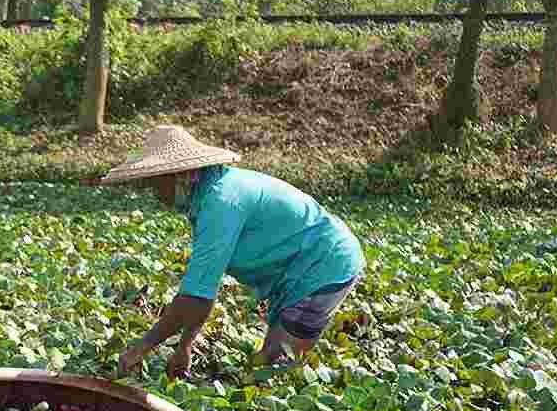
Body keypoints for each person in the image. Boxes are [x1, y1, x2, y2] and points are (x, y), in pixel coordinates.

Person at [109, 126, 365, 379]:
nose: (155, 193)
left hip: (325, 264)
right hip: (298, 271)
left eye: (157, 182)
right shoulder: (208, 194)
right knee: (268, 363)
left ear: (181, 175)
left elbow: (194, 298)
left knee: (276, 369)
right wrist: (185, 344)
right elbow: (203, 288)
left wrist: (141, 348)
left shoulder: (221, 202)